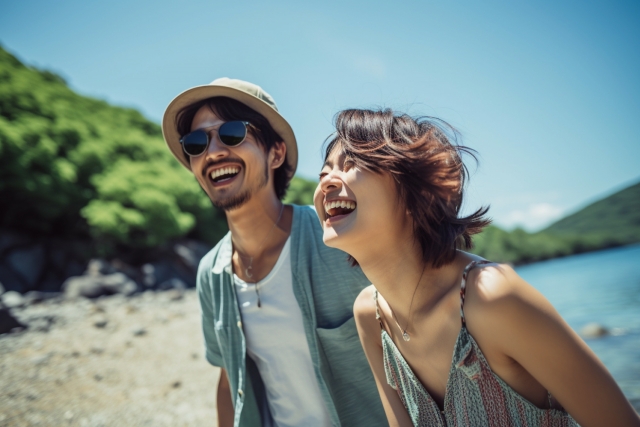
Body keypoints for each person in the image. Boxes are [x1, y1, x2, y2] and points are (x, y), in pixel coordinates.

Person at [313, 108, 640, 427]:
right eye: (324, 172)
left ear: (419, 194)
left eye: (351, 164)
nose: (327, 181)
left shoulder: (491, 296)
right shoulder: (371, 316)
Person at [161, 79, 385, 427]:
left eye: (232, 133)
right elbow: (229, 382)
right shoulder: (211, 273)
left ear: (275, 153)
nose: (214, 152)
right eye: (196, 142)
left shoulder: (339, 239)